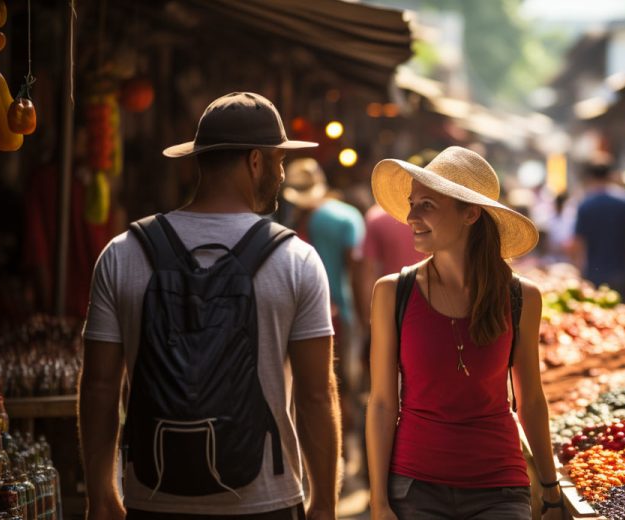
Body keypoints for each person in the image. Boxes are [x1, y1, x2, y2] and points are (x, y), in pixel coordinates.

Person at [79, 92, 341, 520]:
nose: (280, 175)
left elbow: (99, 387)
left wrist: (100, 494)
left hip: (153, 494)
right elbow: (316, 394)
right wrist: (324, 505)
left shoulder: (122, 253)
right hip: (265, 500)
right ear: (255, 161)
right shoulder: (296, 260)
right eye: (278, 163)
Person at [365, 146, 563, 519]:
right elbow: (380, 403)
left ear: (470, 213)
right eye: (412, 204)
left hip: (500, 488)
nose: (411, 216)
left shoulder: (521, 296)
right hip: (413, 486)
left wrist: (551, 491)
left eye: (427, 205)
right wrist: (378, 502)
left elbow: (531, 401)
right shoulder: (393, 292)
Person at [282, 158, 366, 449]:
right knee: (340, 385)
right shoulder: (346, 217)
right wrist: (362, 315)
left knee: (302, 387)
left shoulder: (287, 218)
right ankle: (340, 449)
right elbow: (355, 271)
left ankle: (309, 448)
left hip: (295, 313)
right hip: (339, 312)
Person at [572, 153, 625, 300]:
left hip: (594, 273)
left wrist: (579, 271)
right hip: (621, 271)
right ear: (610, 175)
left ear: (590, 176)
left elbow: (578, 242)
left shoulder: (585, 204)